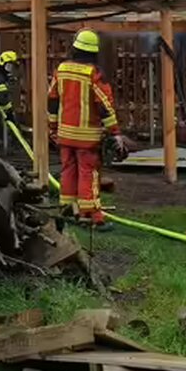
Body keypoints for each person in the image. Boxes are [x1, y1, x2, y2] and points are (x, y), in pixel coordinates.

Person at [47, 29, 124, 228]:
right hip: (87, 137)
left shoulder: (61, 70)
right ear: (93, 53)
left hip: (65, 134)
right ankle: (91, 216)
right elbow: (104, 105)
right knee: (88, 173)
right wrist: (115, 133)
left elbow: (52, 101)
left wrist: (52, 128)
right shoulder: (93, 74)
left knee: (68, 170)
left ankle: (67, 208)